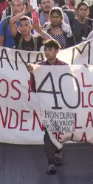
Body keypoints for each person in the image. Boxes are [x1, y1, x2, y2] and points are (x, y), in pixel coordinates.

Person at [27, 39, 67, 175]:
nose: (47, 52)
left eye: (50, 50)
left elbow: (70, 86)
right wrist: (32, 73)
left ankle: (58, 151)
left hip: (61, 105)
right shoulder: (38, 67)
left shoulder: (64, 66)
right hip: (46, 105)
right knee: (48, 133)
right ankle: (50, 162)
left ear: (57, 51)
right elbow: (33, 86)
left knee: (60, 131)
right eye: (46, 50)